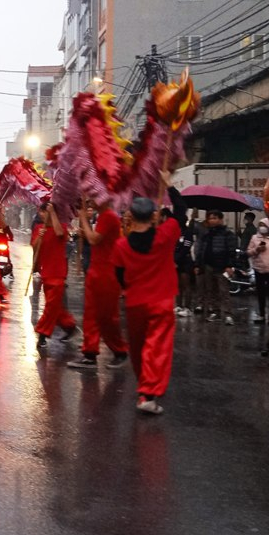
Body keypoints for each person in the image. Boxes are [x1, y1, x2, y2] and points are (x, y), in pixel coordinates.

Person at [112, 178, 188, 415]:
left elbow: (119, 275)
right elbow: (182, 213)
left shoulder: (122, 246)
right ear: (154, 216)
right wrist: (168, 186)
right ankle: (148, 393)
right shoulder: (166, 235)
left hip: (135, 302)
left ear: (131, 218)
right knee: (157, 348)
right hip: (162, 301)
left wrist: (130, 288)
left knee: (138, 348)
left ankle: (144, 387)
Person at [68, 200, 129, 370]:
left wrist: (83, 220)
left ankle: (120, 351)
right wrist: (84, 230)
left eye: (94, 196)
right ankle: (89, 354)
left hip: (107, 273)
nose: (90, 201)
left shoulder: (109, 217)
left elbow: (94, 239)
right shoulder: (102, 216)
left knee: (107, 316)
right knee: (91, 314)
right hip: (97, 270)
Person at [31, 202, 77, 348]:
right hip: (46, 272)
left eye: (45, 212)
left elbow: (59, 233)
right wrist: (39, 236)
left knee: (50, 306)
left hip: (58, 272)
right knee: (54, 306)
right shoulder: (39, 228)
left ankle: (42, 333)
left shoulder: (61, 226)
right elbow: (34, 246)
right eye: (41, 212)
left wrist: (53, 213)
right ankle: (69, 325)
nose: (42, 214)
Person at [194, 210, 237, 324]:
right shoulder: (206, 234)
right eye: (210, 218)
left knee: (223, 290)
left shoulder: (227, 234)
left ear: (221, 219)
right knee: (210, 290)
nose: (212, 220)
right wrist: (198, 264)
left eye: (215, 218)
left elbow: (231, 251)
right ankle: (215, 311)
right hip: (208, 265)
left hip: (222, 267)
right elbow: (200, 250)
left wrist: (229, 265)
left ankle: (228, 314)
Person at [170, 207, 196, 317]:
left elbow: (186, 247)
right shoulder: (174, 232)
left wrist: (177, 259)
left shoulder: (188, 232)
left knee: (186, 284)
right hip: (175, 262)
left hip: (185, 261)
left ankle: (188, 307)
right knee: (178, 285)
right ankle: (179, 305)